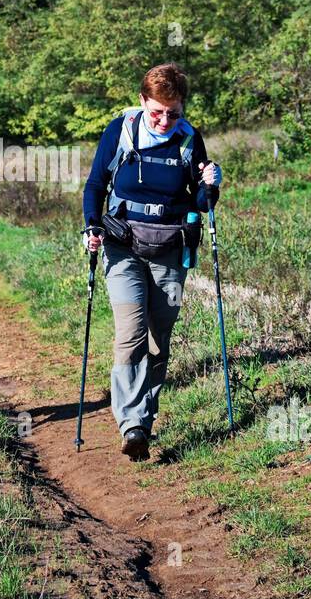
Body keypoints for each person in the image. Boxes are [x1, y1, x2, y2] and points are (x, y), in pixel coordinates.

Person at [81, 63, 222, 461]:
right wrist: (92, 225)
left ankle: (145, 415)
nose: (164, 120)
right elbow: (96, 185)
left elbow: (199, 201)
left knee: (159, 341)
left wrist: (212, 186)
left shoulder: (189, 139)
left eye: (173, 112)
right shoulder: (121, 131)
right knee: (131, 333)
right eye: (157, 111)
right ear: (143, 101)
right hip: (121, 245)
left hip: (170, 250)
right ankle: (132, 424)